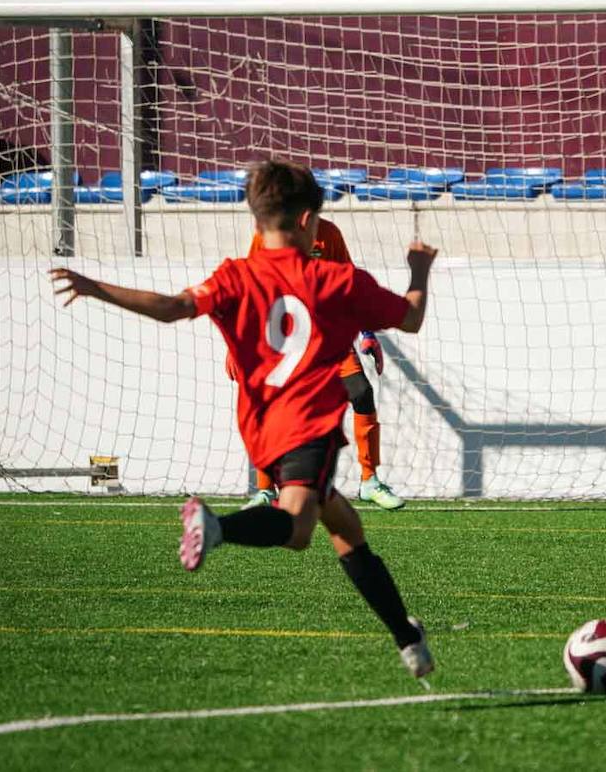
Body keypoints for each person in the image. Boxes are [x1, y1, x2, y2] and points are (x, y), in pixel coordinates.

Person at [50, 160, 437, 678]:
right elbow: (410, 317)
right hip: (309, 427)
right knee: (299, 530)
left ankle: (407, 638)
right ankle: (216, 527)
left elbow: (171, 307)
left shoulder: (234, 276)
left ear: (258, 220)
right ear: (307, 221)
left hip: (261, 431)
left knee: (344, 526)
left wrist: (97, 287)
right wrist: (418, 270)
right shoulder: (336, 279)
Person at [240, 218, 404, 511]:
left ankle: (369, 481)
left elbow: (350, 286)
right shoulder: (267, 234)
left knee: (361, 392)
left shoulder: (329, 234)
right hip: (284, 340)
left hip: (328, 338)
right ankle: (265, 489)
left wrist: (367, 333)